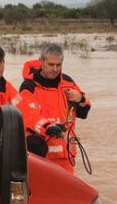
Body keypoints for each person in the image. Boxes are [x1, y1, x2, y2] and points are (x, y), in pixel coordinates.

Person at [18, 43, 91, 173]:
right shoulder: (29, 86)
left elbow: (83, 112)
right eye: (51, 65)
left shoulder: (68, 83)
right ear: (41, 61)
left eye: (59, 65)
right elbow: (28, 116)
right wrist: (48, 127)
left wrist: (81, 99)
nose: (55, 69)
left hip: (67, 157)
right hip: (41, 157)